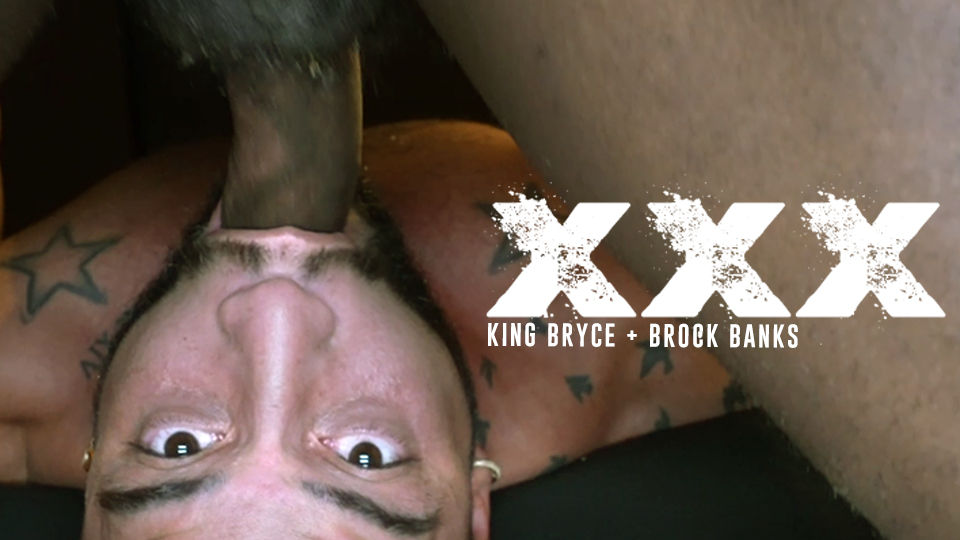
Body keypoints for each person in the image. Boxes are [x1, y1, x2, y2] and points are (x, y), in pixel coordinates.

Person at [5, 0, 958, 539]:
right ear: (472, 500)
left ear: (87, 475)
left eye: (176, 444)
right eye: (364, 456)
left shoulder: (25, 363)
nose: (276, 306)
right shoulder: (598, 330)